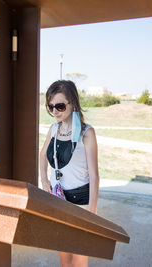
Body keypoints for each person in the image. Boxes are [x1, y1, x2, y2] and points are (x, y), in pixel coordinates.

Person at [40, 80, 100, 267]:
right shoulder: (54, 129)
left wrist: (92, 212)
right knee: (64, 257)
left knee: (80, 259)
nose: (55, 111)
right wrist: (44, 180)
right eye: (51, 107)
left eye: (59, 105)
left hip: (80, 203)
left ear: (72, 103)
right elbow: (42, 155)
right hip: (58, 200)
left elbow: (94, 175)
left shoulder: (86, 133)